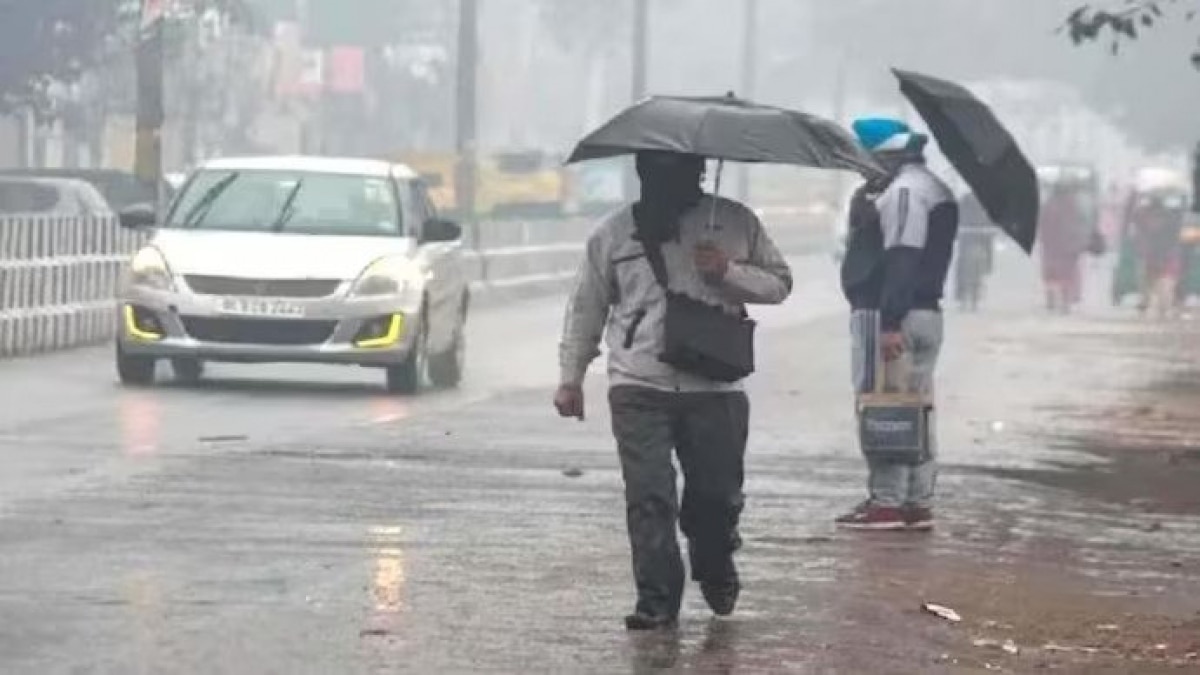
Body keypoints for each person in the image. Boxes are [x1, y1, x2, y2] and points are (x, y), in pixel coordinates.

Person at [554, 150, 792, 630]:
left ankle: (715, 561)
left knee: (717, 498)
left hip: (717, 387)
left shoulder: (734, 221)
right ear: (640, 173)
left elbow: (780, 284)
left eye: (678, 172)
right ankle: (657, 599)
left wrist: (727, 272)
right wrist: (571, 376)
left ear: (699, 172)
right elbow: (587, 307)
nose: (665, 182)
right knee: (649, 497)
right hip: (639, 382)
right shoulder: (613, 234)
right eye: (653, 171)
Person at [836, 118, 958, 531]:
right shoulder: (928, 186)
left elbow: (903, 257)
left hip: (895, 318)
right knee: (916, 410)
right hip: (922, 315)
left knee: (885, 407)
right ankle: (915, 502)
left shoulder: (905, 192)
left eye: (864, 158)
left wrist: (889, 321)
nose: (861, 167)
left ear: (883, 154)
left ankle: (886, 503)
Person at [1129, 189, 1187, 318]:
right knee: (1152, 284)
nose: (1155, 222)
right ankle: (1152, 305)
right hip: (1156, 256)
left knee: (1162, 288)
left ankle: (1160, 307)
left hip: (1163, 256)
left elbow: (1134, 215)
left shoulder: (1167, 219)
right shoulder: (1170, 218)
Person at [1038, 183, 1088, 313]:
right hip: (1069, 246)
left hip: (1052, 246)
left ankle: (1051, 299)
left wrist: (1044, 241)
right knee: (1067, 274)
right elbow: (1081, 224)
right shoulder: (1073, 206)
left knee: (1051, 273)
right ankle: (1065, 303)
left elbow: (1042, 225)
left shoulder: (1049, 205)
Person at [953, 192, 996, 312]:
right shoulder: (970, 200)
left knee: (968, 271)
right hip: (972, 241)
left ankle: (968, 300)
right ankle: (968, 300)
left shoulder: (971, 200)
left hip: (975, 241)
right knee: (966, 271)